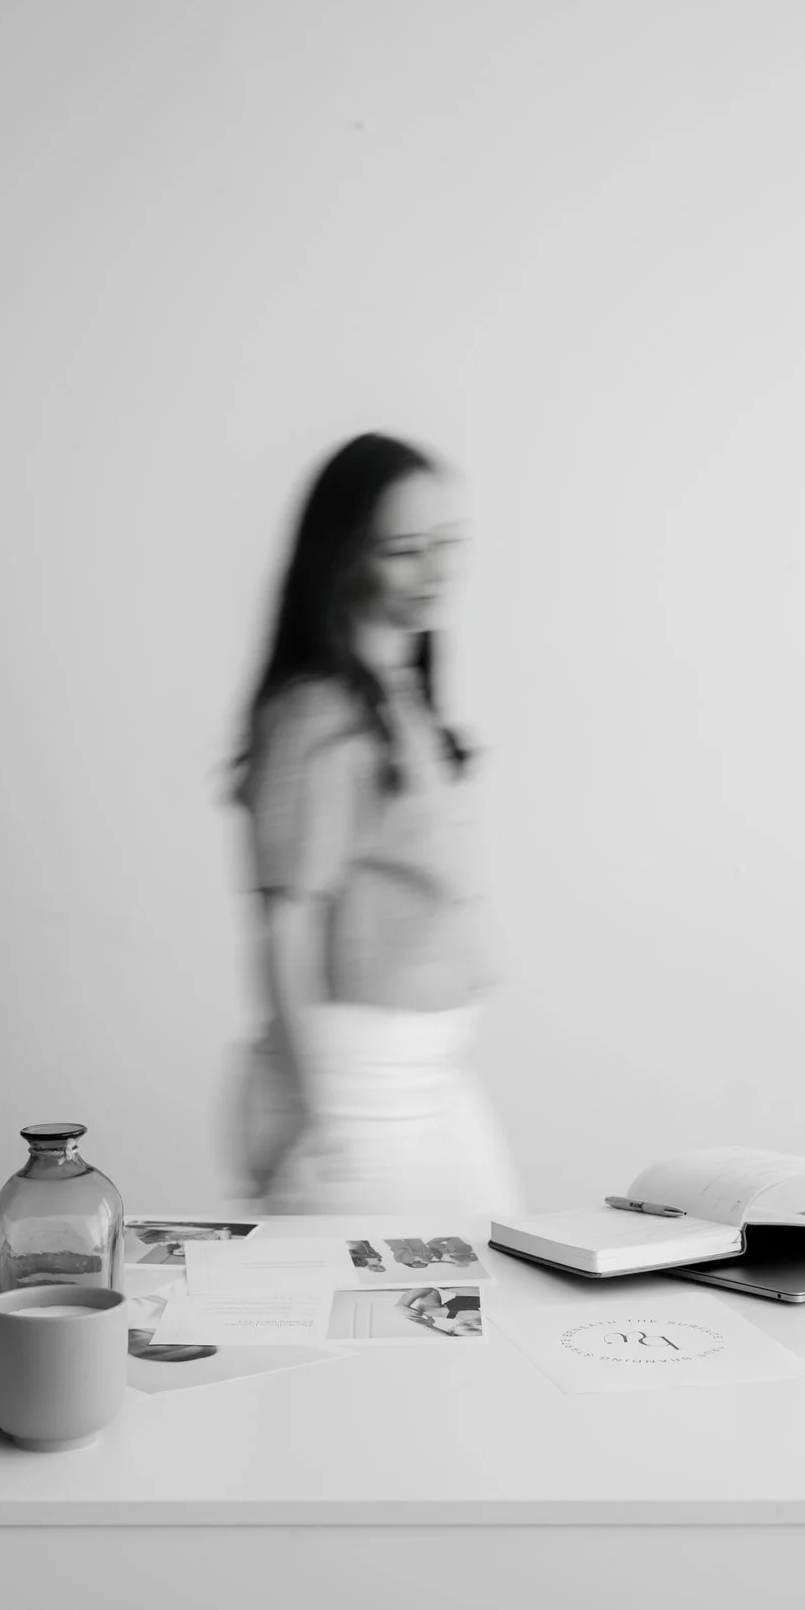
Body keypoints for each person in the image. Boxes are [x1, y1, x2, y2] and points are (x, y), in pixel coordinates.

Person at [230, 433, 525, 1216]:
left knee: (489, 1311)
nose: (437, 572)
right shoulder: (315, 720)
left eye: (446, 544)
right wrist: (322, 1120)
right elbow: (286, 934)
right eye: (404, 549)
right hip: (362, 1096)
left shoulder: (403, 697)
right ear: (346, 555)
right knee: (410, 1322)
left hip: (435, 1082)